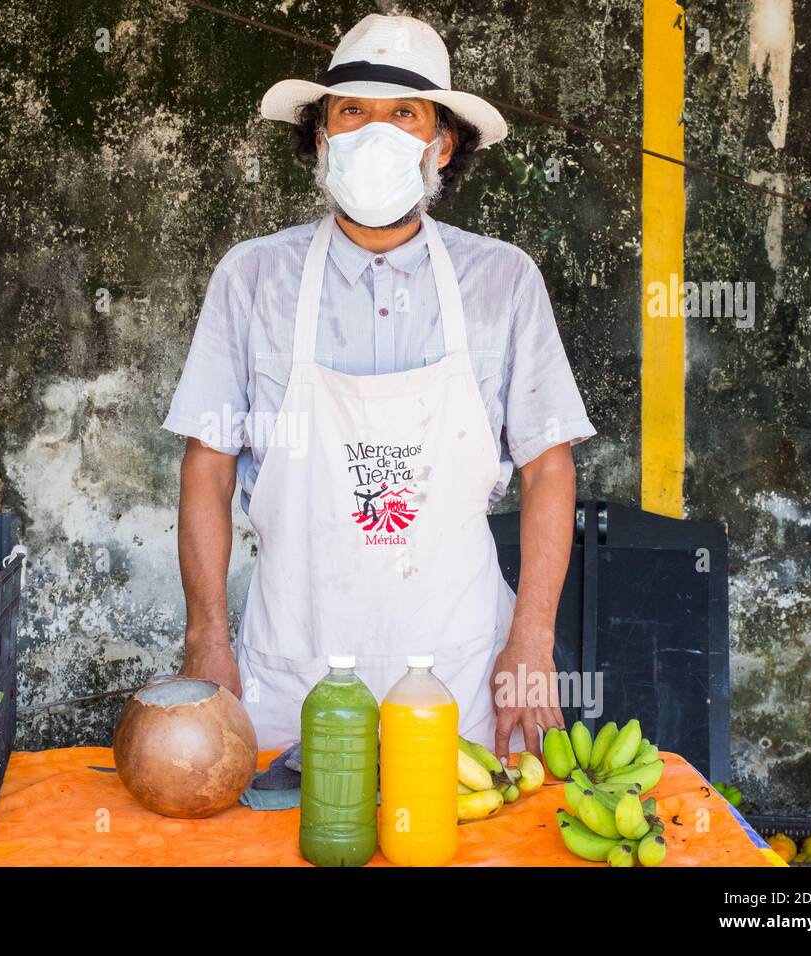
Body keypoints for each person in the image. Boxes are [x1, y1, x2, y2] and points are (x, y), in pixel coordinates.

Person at [162, 13, 595, 759]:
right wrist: (206, 637)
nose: (375, 130)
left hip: (459, 671)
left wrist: (530, 642)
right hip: (292, 670)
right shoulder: (254, 276)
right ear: (323, 141)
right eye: (351, 111)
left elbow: (548, 465)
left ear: (441, 142)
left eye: (404, 113)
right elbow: (208, 463)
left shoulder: (502, 281)